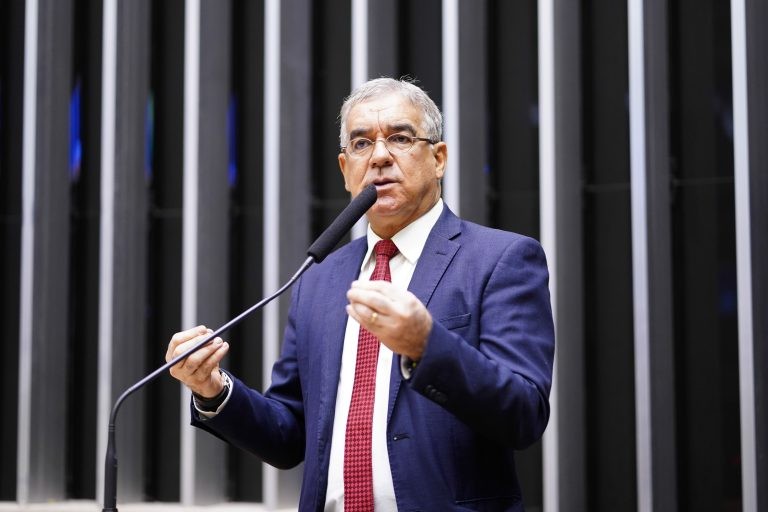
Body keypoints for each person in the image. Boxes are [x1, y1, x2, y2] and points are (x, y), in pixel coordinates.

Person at [166, 77, 555, 511]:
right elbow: (290, 435)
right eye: (362, 144)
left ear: (439, 158)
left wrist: (427, 348)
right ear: (345, 169)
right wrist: (214, 390)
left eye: (401, 138)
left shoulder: (500, 259)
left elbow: (524, 414)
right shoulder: (320, 276)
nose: (381, 156)